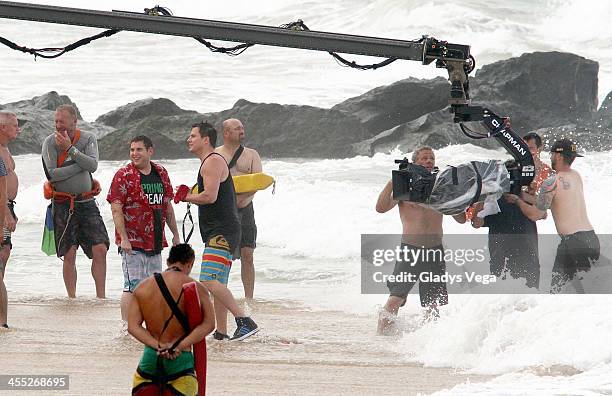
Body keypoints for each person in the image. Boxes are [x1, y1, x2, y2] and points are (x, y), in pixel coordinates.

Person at [175, 121, 258, 341]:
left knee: (208, 280)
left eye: (193, 136)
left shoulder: (211, 162)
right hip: (225, 229)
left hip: (221, 231)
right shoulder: (211, 161)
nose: (188, 139)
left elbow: (209, 197)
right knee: (218, 283)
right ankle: (221, 333)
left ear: (205, 139)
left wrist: (185, 197)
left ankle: (244, 321)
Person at [505, 138, 599, 293]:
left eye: (552, 154)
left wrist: (517, 200)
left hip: (572, 242)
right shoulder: (576, 176)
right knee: (585, 294)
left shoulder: (551, 182)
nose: (550, 157)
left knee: (557, 292)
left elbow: (536, 213)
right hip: (591, 239)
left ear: (559, 156)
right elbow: (556, 200)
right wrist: (523, 195)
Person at [376, 146, 449, 335]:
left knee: (432, 304)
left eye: (431, 158)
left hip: (435, 250)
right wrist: (393, 181)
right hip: (411, 251)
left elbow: (460, 217)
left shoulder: (441, 186)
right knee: (396, 298)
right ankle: (380, 340)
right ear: (415, 163)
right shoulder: (405, 188)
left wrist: (456, 196)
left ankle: (429, 341)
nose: (429, 161)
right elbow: (380, 208)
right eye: (424, 158)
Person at [108, 135, 181, 321]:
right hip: (131, 242)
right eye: (132, 150)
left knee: (154, 287)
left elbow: (167, 206)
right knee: (132, 286)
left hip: (155, 241)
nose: (134, 153)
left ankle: (150, 324)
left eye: (139, 149)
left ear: (150, 151)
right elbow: (116, 208)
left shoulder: (161, 173)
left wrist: (175, 234)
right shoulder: (123, 175)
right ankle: (127, 326)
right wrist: (123, 238)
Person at [41, 104, 109, 298]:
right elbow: (52, 175)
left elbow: (93, 165)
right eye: (56, 121)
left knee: (100, 248)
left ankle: (101, 297)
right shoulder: (49, 143)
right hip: (63, 204)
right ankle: (72, 298)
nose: (58, 125)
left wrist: (70, 150)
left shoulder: (88, 138)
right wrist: (81, 165)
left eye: (62, 121)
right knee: (69, 253)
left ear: (74, 120)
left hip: (87, 203)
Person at [128, 243, 214, 396]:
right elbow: (209, 324)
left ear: (168, 262)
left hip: (150, 359)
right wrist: (179, 346)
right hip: (181, 361)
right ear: (190, 263)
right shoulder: (198, 288)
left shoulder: (141, 288)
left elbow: (133, 326)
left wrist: (158, 345)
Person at [470, 160, 540, 288]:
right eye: (507, 175)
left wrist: (521, 196)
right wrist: (483, 195)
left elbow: (541, 213)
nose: (510, 179)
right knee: (501, 301)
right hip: (501, 260)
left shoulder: (527, 198)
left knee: (530, 304)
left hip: (528, 259)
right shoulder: (493, 199)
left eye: (514, 174)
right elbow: (476, 223)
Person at [215, 118, 262, 299]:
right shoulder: (215, 155)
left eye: (242, 128)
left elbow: (258, 181)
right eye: (237, 128)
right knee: (221, 254)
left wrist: (242, 199)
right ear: (226, 133)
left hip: (246, 209)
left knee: (247, 254)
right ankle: (220, 293)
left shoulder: (252, 154)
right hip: (223, 211)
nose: (242, 131)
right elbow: (209, 181)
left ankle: (249, 298)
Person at [0, 112, 18, 329]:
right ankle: (2, 321)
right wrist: (5, 213)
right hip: (3, 210)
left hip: (7, 207)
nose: (18, 129)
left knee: (4, 257)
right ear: (2, 127)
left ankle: (2, 321)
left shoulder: (5, 148)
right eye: (14, 125)